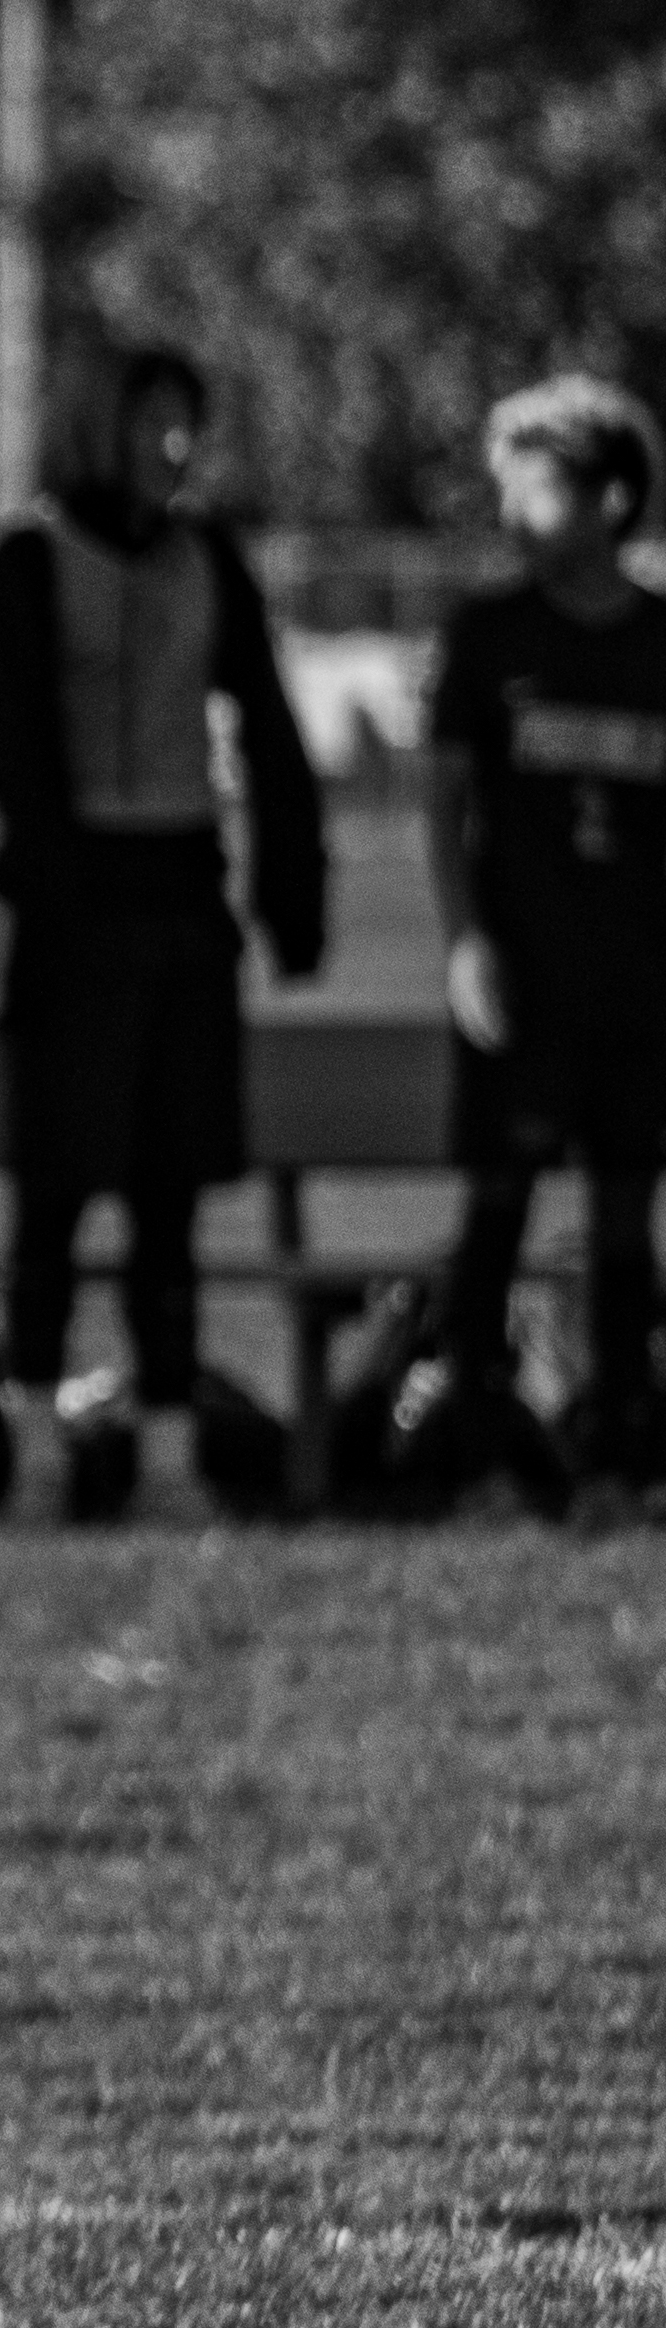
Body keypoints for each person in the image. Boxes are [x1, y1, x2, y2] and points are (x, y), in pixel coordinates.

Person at [0, 332, 327, 1523]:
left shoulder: (206, 558)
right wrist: (64, 885)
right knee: (51, 1196)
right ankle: (32, 1451)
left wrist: (289, 892)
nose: (173, 448)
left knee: (168, 1197)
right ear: (91, 430)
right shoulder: (23, 563)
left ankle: (169, 1454)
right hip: (72, 912)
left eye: (185, 424)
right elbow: (2, 738)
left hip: (180, 902)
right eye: (147, 423)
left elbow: (267, 731)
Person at [427, 373, 666, 1492]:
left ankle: (620, 1435)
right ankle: (474, 1443)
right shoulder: (485, 636)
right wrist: (464, 940)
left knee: (625, 1210)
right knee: (498, 1200)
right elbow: (445, 807)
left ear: (609, 501)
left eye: (533, 492)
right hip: (524, 979)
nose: (511, 518)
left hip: (636, 984)